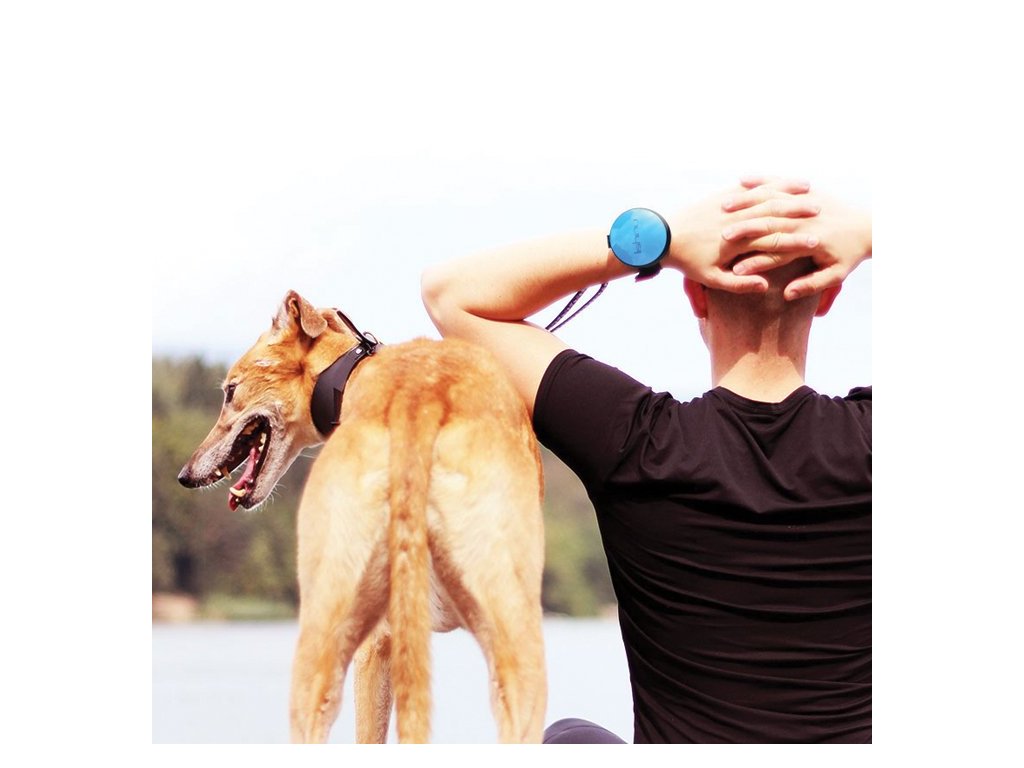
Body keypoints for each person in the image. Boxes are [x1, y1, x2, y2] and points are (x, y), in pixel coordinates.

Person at [420, 176, 872, 743]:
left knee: (566, 738)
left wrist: (660, 239)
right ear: (828, 296)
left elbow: (450, 295)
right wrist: (871, 232)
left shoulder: (637, 443)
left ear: (696, 295)